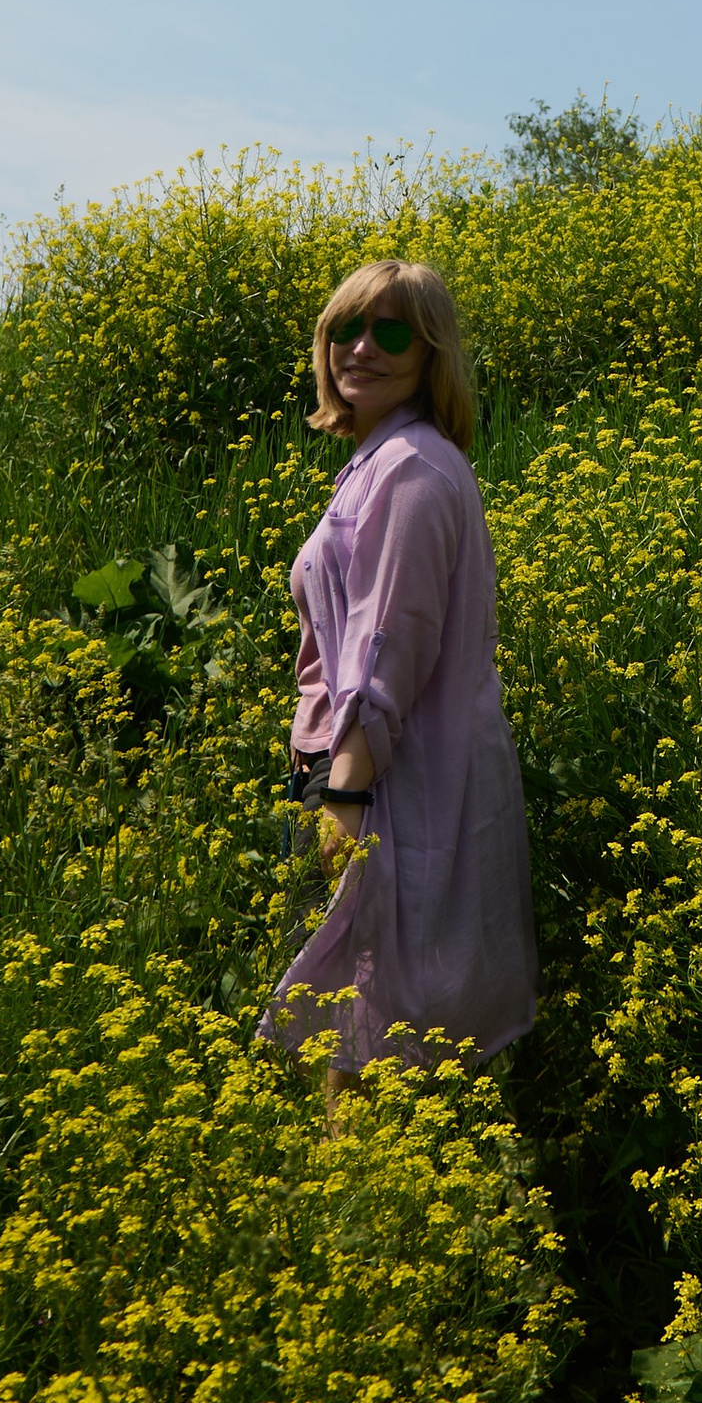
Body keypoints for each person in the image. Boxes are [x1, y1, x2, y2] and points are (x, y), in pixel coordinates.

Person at [259, 257, 539, 1094]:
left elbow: (391, 649)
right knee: (363, 1027)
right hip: (367, 771)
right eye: (346, 328)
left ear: (430, 354)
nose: (361, 349)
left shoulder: (411, 468)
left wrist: (342, 796)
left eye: (390, 333)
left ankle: (375, 1208)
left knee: (380, 1037)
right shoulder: (381, 461)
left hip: (391, 786)